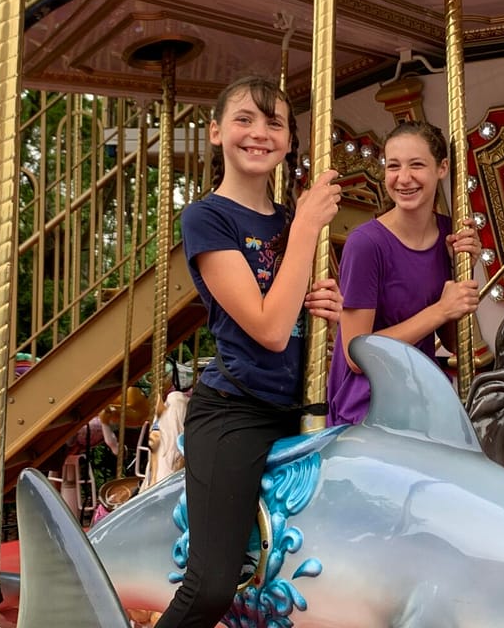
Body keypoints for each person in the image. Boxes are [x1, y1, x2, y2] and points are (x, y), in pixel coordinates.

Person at [155, 75, 342, 628]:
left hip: (305, 408)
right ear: (215, 132)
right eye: (244, 119)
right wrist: (308, 224)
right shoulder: (208, 218)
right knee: (212, 583)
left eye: (274, 122)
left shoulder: (290, 220)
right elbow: (268, 329)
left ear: (288, 141)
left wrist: (326, 302)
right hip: (237, 410)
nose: (259, 133)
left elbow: (299, 320)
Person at [327, 120, 481, 426]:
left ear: (442, 168)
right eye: (393, 166)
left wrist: (463, 271)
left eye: (417, 165)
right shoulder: (366, 244)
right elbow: (358, 355)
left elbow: (452, 341)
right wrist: (440, 310)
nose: (403, 178)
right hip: (369, 403)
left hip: (420, 392)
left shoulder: (449, 234)